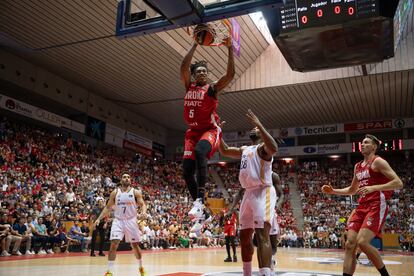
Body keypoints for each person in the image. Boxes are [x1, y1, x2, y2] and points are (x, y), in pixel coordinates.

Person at [322, 134, 403, 276]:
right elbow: (352, 190)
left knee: (363, 243)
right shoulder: (358, 166)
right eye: (362, 143)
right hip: (362, 206)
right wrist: (333, 191)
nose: (363, 144)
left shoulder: (378, 162)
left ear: (374, 147)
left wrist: (374, 188)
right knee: (349, 244)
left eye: (366, 143)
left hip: (377, 204)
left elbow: (398, 183)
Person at [180, 36, 235, 226]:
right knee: (186, 172)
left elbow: (229, 75)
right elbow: (183, 67)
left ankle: (200, 198)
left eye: (205, 71)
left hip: (209, 130)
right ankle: (204, 213)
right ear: (194, 75)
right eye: (199, 71)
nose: (202, 73)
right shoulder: (189, 85)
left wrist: (229, 49)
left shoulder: (211, 89)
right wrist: (195, 43)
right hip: (192, 133)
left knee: (200, 152)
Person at [219, 109, 278, 276]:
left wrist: (259, 124)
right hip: (248, 193)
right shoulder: (246, 149)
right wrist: (217, 131)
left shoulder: (263, 149)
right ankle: (247, 273)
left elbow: (274, 148)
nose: (253, 130)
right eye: (253, 128)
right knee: (244, 236)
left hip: (263, 191)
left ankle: (266, 273)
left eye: (257, 130)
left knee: (261, 235)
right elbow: (224, 150)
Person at [94, 173, 147, 276]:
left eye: (128, 177)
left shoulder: (136, 192)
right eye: (124, 177)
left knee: (135, 246)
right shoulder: (115, 192)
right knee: (113, 244)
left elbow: (142, 204)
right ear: (121, 180)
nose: (126, 178)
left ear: (130, 180)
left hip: (131, 221)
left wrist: (144, 212)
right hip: (118, 220)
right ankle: (109, 271)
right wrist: (99, 218)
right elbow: (108, 208)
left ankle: (141, 267)